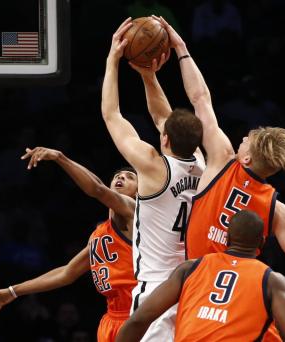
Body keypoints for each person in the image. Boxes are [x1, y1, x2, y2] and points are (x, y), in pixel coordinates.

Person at [157, 16, 285, 312]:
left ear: (245, 157)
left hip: (194, 289)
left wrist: (181, 48)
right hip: (238, 299)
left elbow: (200, 98)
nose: (241, 138)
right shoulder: (277, 209)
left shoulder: (222, 159)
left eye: (245, 140)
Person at [101, 18, 205, 341]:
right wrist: (148, 76)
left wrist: (112, 60)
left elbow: (112, 115)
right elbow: (164, 118)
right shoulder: (202, 164)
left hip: (156, 293)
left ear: (165, 141)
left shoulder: (152, 168)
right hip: (192, 290)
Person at [0, 147, 138, 342]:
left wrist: (60, 157)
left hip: (139, 312)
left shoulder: (134, 210)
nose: (121, 178)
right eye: (117, 176)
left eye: (130, 177)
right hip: (112, 317)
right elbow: (66, 273)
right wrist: (13, 291)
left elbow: (96, 188)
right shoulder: (100, 233)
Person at [116, 210, 285, 342]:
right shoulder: (272, 281)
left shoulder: (190, 268)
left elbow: (139, 319)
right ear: (261, 243)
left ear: (227, 238)